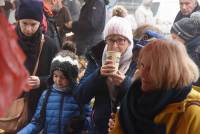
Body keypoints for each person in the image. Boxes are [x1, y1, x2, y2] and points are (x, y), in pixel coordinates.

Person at [108, 39, 200, 134]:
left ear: (171, 72)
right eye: (142, 65)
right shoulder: (133, 94)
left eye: (152, 69)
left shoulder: (193, 112)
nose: (142, 73)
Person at [75, 16, 136, 134]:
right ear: (105, 41)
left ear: (129, 42)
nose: (115, 46)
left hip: (126, 127)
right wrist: (98, 75)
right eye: (111, 40)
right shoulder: (96, 58)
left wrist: (125, 83)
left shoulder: (138, 61)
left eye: (121, 40)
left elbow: (143, 98)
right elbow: (80, 95)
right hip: (99, 126)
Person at [18, 50, 91, 134]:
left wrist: (83, 123)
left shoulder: (80, 94)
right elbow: (37, 123)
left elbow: (90, 119)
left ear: (72, 77)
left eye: (63, 77)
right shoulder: (46, 95)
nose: (58, 80)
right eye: (55, 76)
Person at [15, 0, 58, 123]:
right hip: (10, 106)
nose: (28, 29)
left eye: (33, 24)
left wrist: (42, 81)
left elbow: (60, 77)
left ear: (40, 22)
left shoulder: (50, 46)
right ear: (18, 21)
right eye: (24, 23)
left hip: (38, 107)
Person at [171, 11, 200, 86]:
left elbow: (191, 79)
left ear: (185, 37)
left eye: (174, 38)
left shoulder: (195, 53)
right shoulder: (189, 47)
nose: (172, 41)